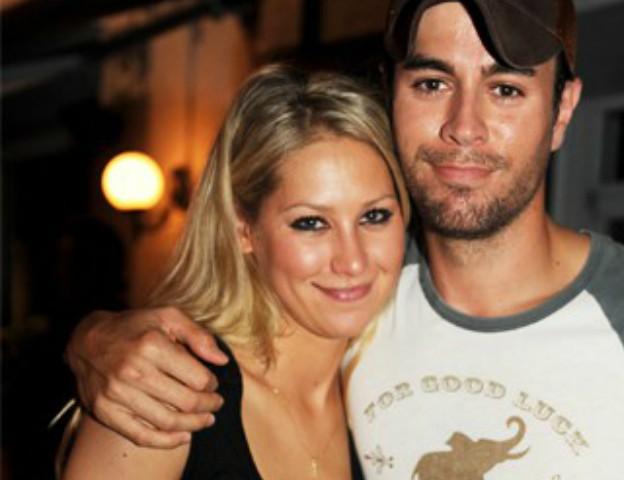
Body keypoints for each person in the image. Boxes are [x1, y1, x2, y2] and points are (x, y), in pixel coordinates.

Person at [65, 1, 624, 478]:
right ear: (391, 94)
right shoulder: (357, 295)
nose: (463, 126)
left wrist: (90, 337)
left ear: (562, 110)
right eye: (432, 82)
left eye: (505, 89)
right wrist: (95, 341)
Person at [62, 64, 410, 479]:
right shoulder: (164, 392)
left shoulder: (397, 389)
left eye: (374, 216)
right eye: (311, 223)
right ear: (244, 230)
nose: (352, 261)